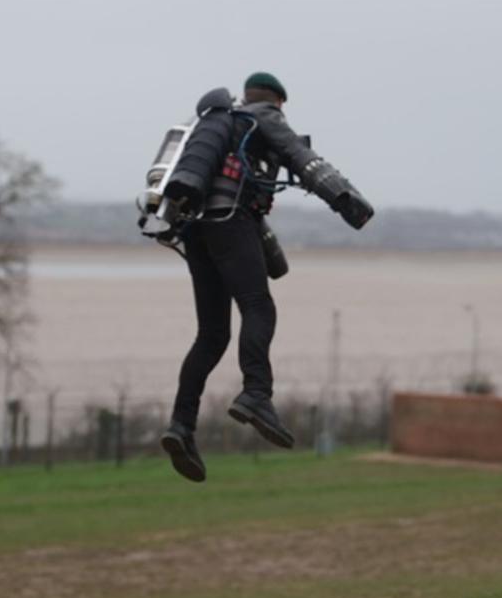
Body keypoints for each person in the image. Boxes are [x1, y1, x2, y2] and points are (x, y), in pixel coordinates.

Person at [160, 72, 374, 482]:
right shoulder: (265, 117)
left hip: (195, 230)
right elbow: (302, 158)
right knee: (259, 307)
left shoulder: (220, 123)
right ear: (279, 101)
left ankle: (181, 426)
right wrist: (346, 199)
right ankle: (257, 394)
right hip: (229, 222)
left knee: (211, 335)